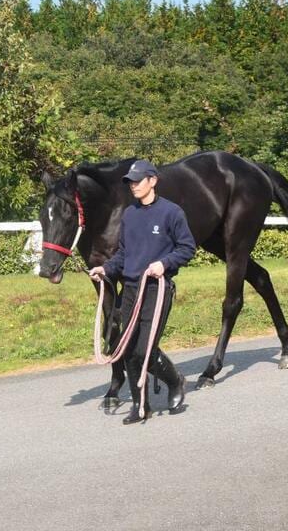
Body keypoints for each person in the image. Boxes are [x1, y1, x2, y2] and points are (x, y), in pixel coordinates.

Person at [88, 159, 196, 425]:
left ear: (153, 181)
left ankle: (175, 382)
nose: (133, 185)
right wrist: (106, 269)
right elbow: (124, 254)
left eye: (138, 180)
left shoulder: (172, 213)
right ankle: (140, 405)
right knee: (127, 349)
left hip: (157, 290)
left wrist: (165, 264)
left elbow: (187, 248)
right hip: (131, 290)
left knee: (144, 348)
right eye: (130, 182)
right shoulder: (130, 215)